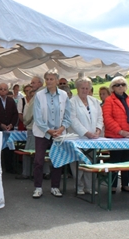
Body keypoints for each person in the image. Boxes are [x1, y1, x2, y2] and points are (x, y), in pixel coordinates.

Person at [32, 69, 72, 198]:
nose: (49, 81)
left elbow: (67, 115)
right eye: (47, 79)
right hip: (42, 133)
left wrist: (61, 128)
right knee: (39, 160)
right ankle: (38, 187)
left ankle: (55, 186)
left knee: (57, 161)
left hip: (58, 133)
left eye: (51, 79)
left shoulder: (64, 95)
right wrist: (48, 130)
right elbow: (37, 117)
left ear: (56, 81)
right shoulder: (39, 95)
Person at [102, 76, 129, 194]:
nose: (120, 87)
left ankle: (125, 184)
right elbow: (107, 118)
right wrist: (120, 131)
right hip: (115, 136)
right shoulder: (109, 100)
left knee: (126, 160)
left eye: (123, 84)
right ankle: (113, 185)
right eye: (117, 85)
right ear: (113, 88)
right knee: (115, 160)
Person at [68, 78, 103, 194]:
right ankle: (79, 186)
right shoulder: (72, 102)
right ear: (77, 89)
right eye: (82, 88)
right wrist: (86, 133)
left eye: (87, 88)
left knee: (90, 161)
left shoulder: (94, 101)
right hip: (77, 137)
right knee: (77, 162)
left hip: (92, 139)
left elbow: (99, 117)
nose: (85, 90)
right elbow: (73, 120)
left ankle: (90, 187)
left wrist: (98, 130)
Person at [0, 82, 18, 174]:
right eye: (1, 89)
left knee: (9, 149)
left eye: (5, 89)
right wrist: (0, 124)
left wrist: (11, 124)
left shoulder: (11, 101)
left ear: (7, 90)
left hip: (9, 129)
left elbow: (15, 114)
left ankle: (9, 167)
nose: (3, 91)